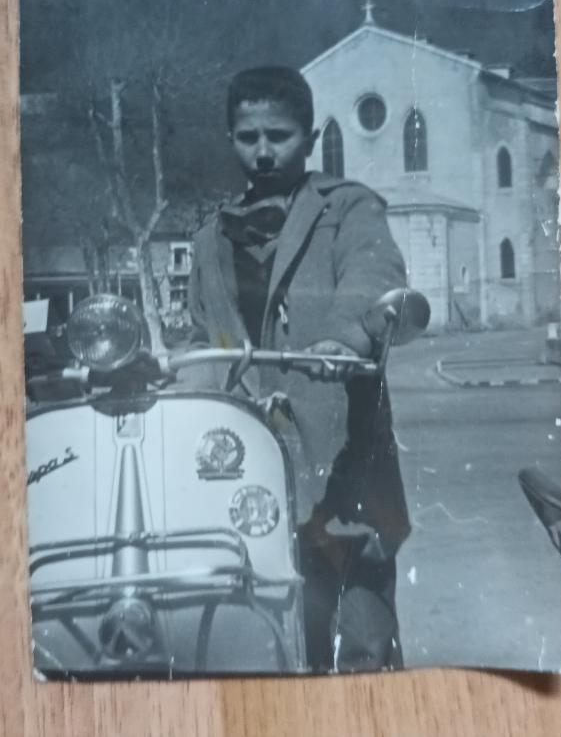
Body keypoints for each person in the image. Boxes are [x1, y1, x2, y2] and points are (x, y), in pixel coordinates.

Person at [185, 66, 412, 672]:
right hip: (243, 467)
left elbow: (373, 275)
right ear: (230, 138)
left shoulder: (347, 208)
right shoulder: (211, 238)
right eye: (246, 136)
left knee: (357, 631)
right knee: (254, 636)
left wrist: (343, 339)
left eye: (278, 136)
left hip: (338, 457)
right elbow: (196, 332)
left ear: (310, 139)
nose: (261, 151)